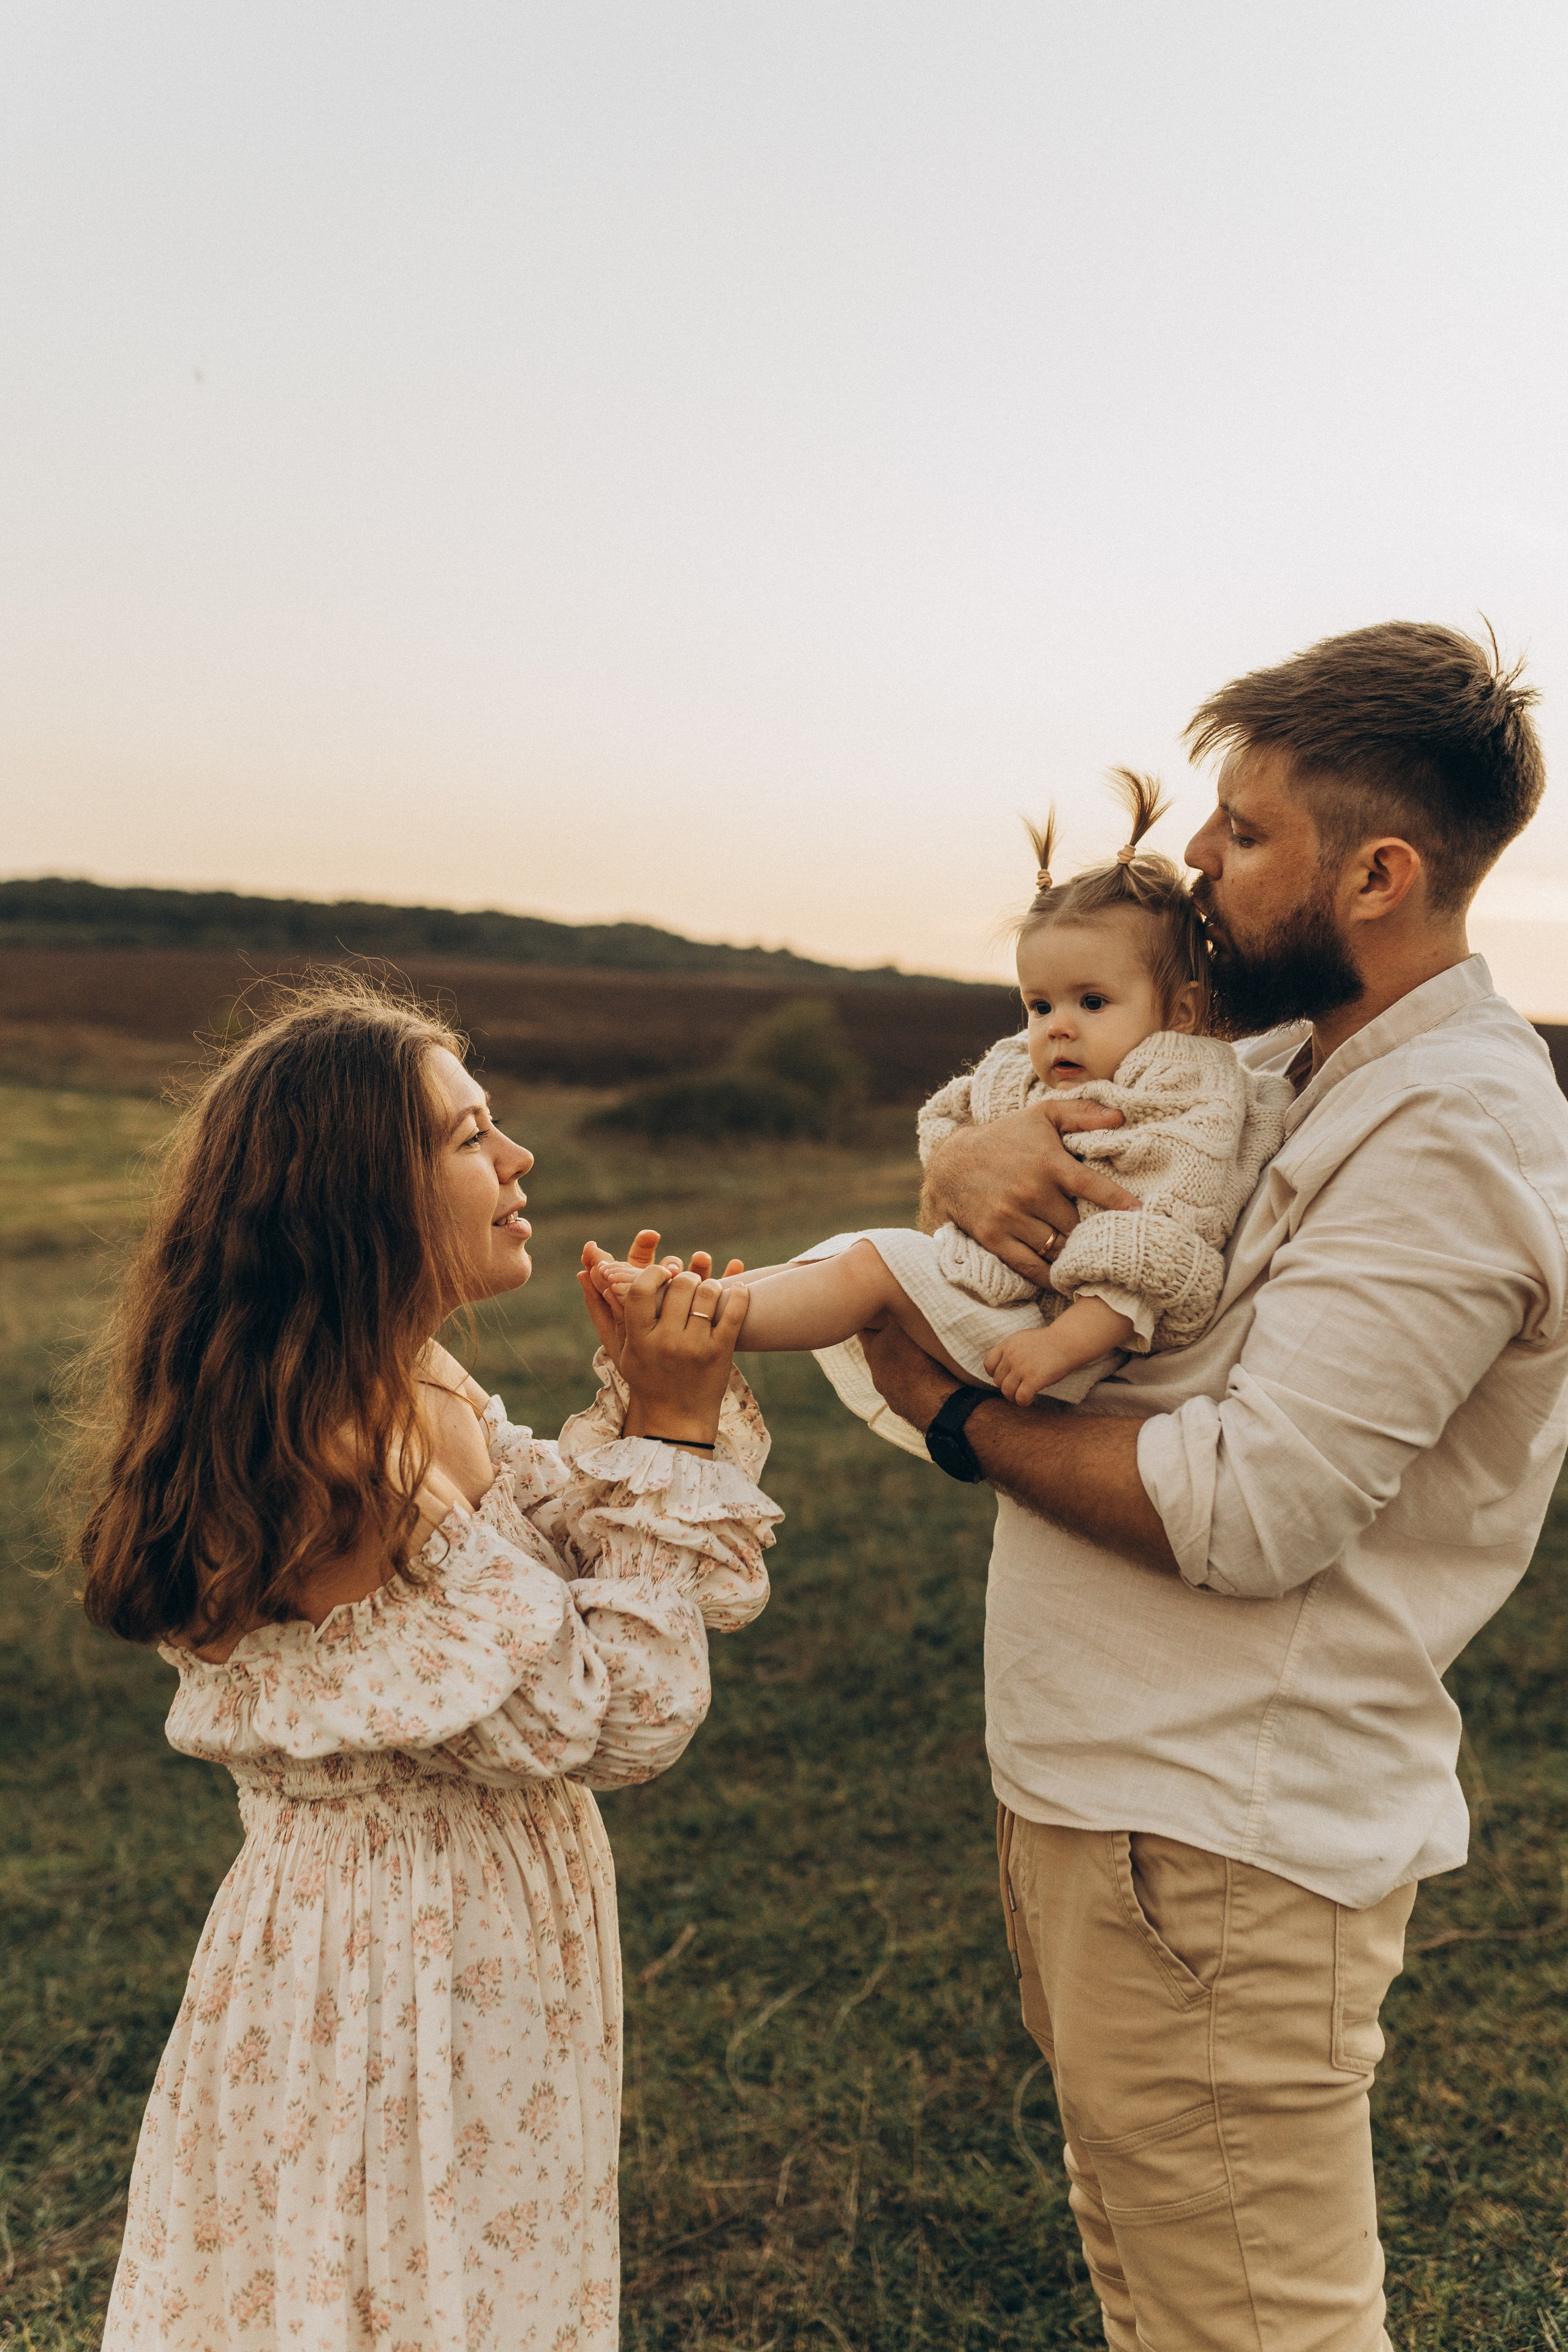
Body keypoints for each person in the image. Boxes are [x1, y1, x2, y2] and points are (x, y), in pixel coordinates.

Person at [854, 621, 1568, 2351]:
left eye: (1244, 835)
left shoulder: (1453, 1129)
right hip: (1113, 1808)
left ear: (1380, 872)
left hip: (1217, 1850)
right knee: (1170, 2299)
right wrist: (960, 1155)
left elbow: (1254, 1509)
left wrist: (955, 1420)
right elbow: (1048, 1104)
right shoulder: (1286, 1065)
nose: (1193, 860)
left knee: (1252, 2328)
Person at [73, 975, 778, 2352]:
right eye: (467, 1138)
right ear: (359, 1194)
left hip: (483, 1936)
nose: (516, 1162)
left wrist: (643, 1405)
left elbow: (560, 1565)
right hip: (400, 1964)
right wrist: (675, 1444)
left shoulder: (427, 1387)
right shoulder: (348, 1453)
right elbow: (617, 1712)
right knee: (408, 2280)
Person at [584, 769, 1293, 1447]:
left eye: (1092, 1002)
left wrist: (1060, 1345)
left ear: (1181, 1010)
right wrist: (964, 1156)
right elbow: (953, 1128)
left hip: (1072, 1340)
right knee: (851, 1251)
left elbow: (1162, 1240)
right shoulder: (1036, 1071)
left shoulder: (1184, 1096)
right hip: (1008, 1302)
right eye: (1039, 1004)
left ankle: (699, 1323)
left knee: (872, 1266)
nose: (1057, 1026)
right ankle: (691, 1294)